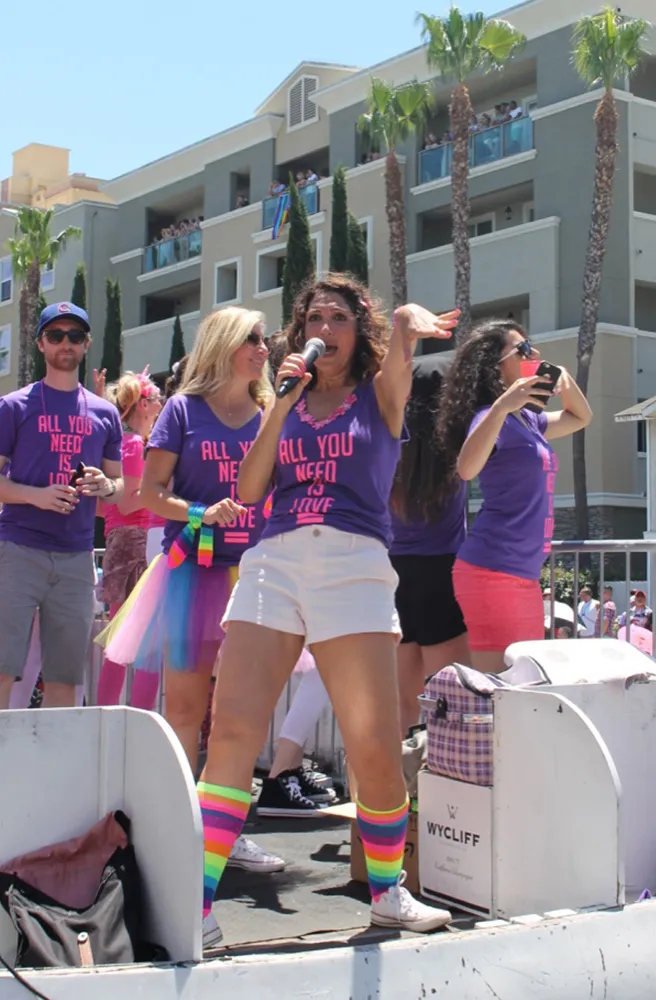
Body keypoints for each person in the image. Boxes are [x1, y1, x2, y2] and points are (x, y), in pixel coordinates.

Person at [198, 273, 459, 948]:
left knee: (372, 743)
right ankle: (193, 904)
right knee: (232, 733)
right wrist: (281, 403)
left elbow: (400, 349)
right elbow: (248, 490)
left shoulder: (379, 395)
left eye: (337, 317)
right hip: (275, 559)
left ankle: (388, 895)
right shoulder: (283, 401)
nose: (323, 328)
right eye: (313, 317)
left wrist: (405, 325)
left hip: (353, 564)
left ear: (358, 329)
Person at [437, 319, 592, 674]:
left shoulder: (528, 421)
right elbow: (467, 468)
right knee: (503, 690)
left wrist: (565, 380)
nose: (533, 353)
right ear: (496, 366)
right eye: (522, 349)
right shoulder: (491, 416)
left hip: (523, 576)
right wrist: (502, 406)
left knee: (522, 686)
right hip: (491, 573)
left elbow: (580, 417)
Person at [0, 302, 124, 709]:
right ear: (41, 344)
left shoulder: (105, 412)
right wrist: (35, 495)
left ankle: (55, 752)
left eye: (74, 336)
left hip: (76, 557)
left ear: (87, 344)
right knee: (2, 667)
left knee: (66, 679)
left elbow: (120, 488)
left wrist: (105, 485)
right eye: (56, 335)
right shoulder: (14, 406)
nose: (65, 343)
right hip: (17, 550)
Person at [389, 354, 469, 736]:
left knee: (402, 702)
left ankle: (400, 771)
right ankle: (442, 769)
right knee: (451, 699)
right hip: (443, 571)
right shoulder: (456, 444)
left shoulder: (389, 443)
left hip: (393, 572)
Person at [95, 369, 163, 709]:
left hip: (121, 542)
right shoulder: (136, 445)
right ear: (143, 405)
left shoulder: (122, 445)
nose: (162, 404)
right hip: (136, 544)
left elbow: (107, 507)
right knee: (146, 643)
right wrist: (163, 494)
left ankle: (107, 718)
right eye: (157, 398)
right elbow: (127, 502)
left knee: (120, 643)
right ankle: (139, 721)